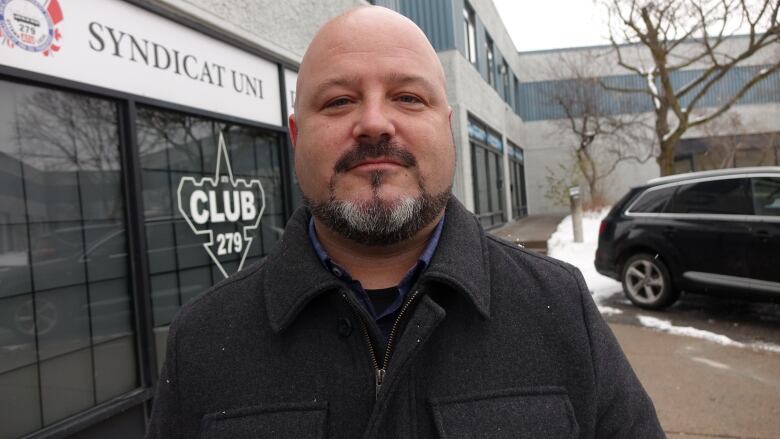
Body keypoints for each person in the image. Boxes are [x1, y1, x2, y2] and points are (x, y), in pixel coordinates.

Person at [146, 6, 664, 438]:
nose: (373, 122)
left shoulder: (560, 308)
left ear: (447, 129)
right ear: (296, 137)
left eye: (408, 97)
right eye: (339, 100)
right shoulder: (202, 339)